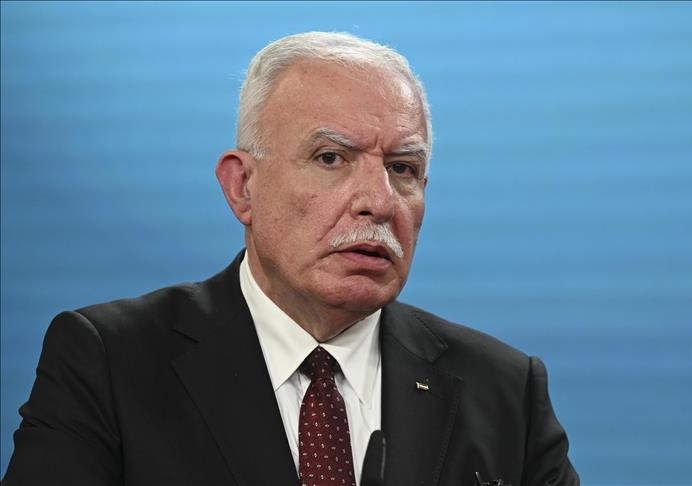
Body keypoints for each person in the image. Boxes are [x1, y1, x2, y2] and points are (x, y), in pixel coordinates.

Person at [3, 32, 578, 486]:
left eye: (403, 168)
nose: (379, 202)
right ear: (243, 187)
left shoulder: (505, 390)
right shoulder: (109, 362)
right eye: (331, 158)